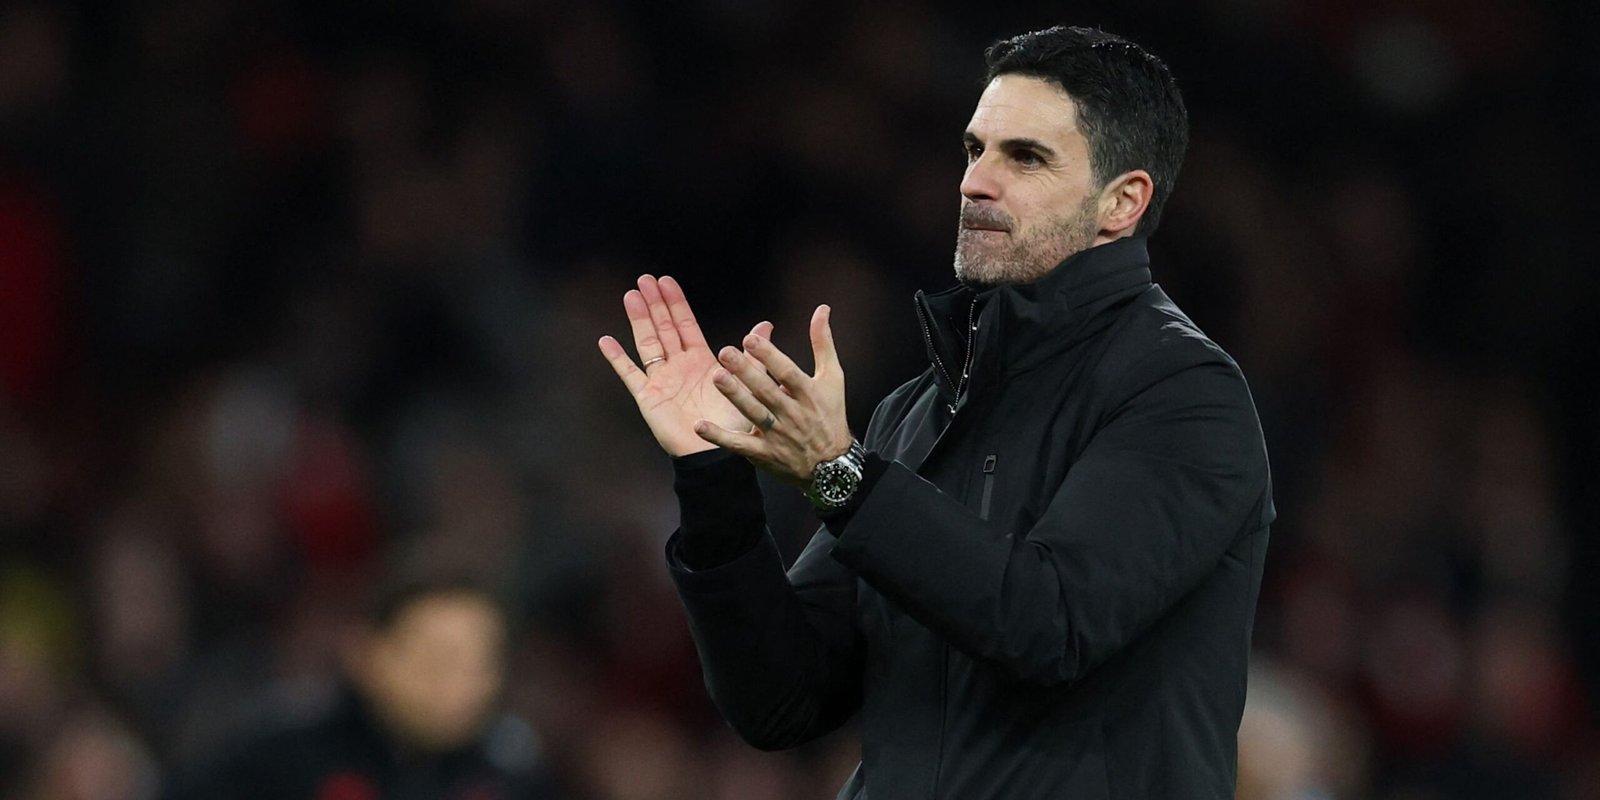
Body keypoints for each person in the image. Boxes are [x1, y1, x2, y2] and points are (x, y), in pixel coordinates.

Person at [598, 25, 1273, 799]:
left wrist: (842, 477)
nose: (975, 182)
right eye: (974, 149)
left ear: (1122, 202)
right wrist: (712, 475)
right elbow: (781, 700)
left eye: (1025, 157)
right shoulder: (920, 410)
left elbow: (1051, 623)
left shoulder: (1184, 393)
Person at [165, 575, 559, 800]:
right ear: (365, 654)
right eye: (437, 659)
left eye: (481, 662)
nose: (461, 683)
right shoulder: (279, 758)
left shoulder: (515, 774)